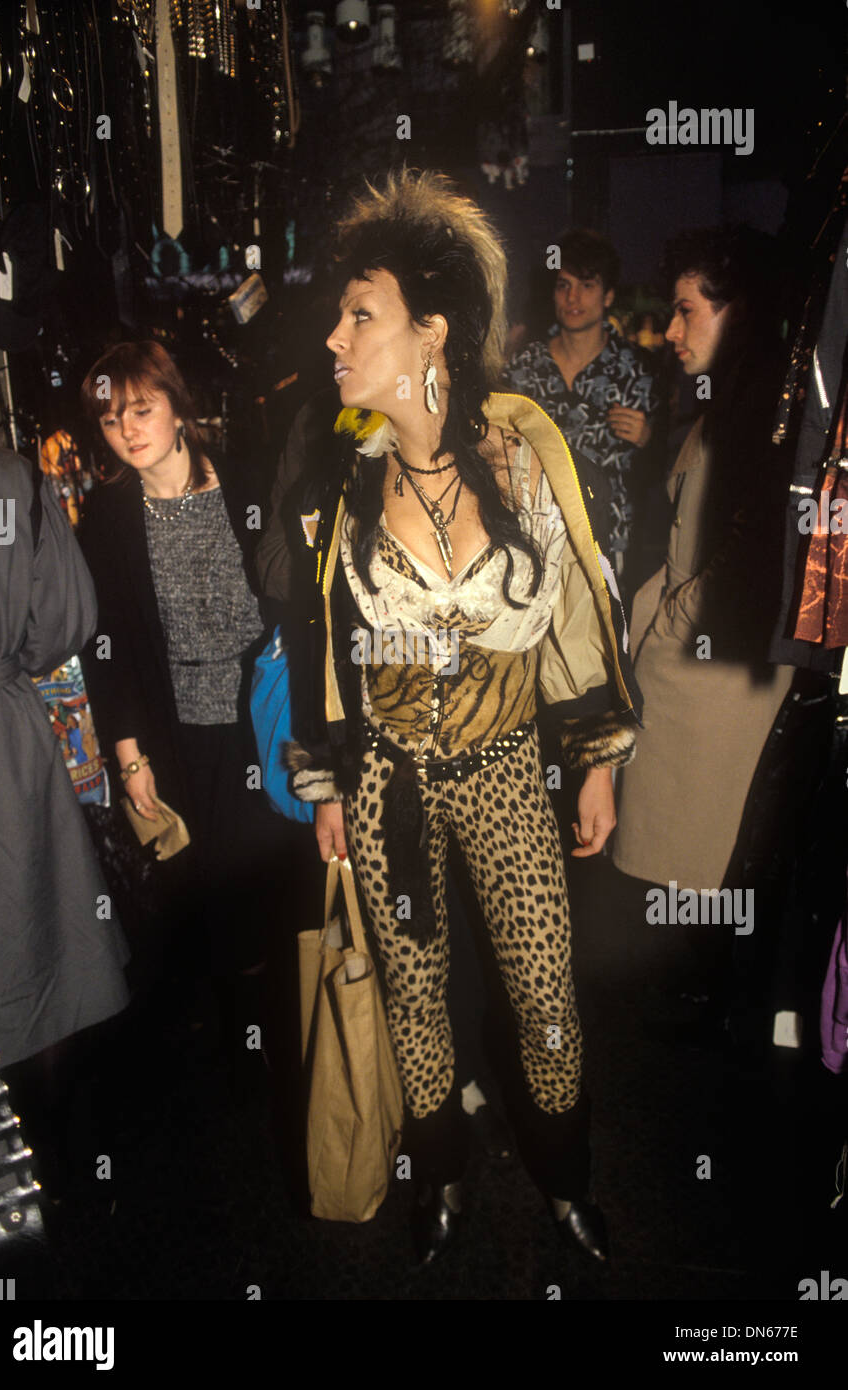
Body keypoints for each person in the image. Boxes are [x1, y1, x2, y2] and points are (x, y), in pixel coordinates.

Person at [276, 170, 642, 1265]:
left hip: (501, 769)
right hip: (388, 778)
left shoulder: (525, 453)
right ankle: (438, 1177)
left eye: (361, 314)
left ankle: (566, 1181)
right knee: (416, 1001)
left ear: (431, 331)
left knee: (546, 998)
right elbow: (322, 640)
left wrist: (596, 763)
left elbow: (579, 608)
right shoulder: (340, 471)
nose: (337, 336)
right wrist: (331, 783)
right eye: (340, 315)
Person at [612, 227, 795, 1016]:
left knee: (694, 858)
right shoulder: (731, 401)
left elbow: (746, 557)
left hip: (711, 682)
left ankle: (700, 1014)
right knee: (683, 860)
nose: (672, 332)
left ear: (736, 312)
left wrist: (665, 630)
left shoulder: (759, 410)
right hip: (694, 666)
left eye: (687, 312)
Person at [77, 342, 273, 1056]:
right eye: (108, 421)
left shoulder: (247, 483)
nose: (127, 430)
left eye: (140, 409)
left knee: (276, 873)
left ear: (177, 405)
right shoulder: (108, 518)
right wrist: (129, 757)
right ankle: (234, 1036)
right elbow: (112, 651)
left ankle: (282, 1018)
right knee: (207, 882)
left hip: (264, 714)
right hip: (179, 724)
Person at [0, 441, 130, 1181]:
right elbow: (65, 620)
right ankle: (49, 1155)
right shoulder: (6, 479)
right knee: (36, 943)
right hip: (0, 741)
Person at [502, 229, 661, 582]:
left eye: (587, 285)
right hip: (535, 537)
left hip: (608, 540)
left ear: (608, 296)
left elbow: (670, 470)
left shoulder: (636, 369)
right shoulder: (523, 368)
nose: (573, 297)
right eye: (563, 285)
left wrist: (648, 437)